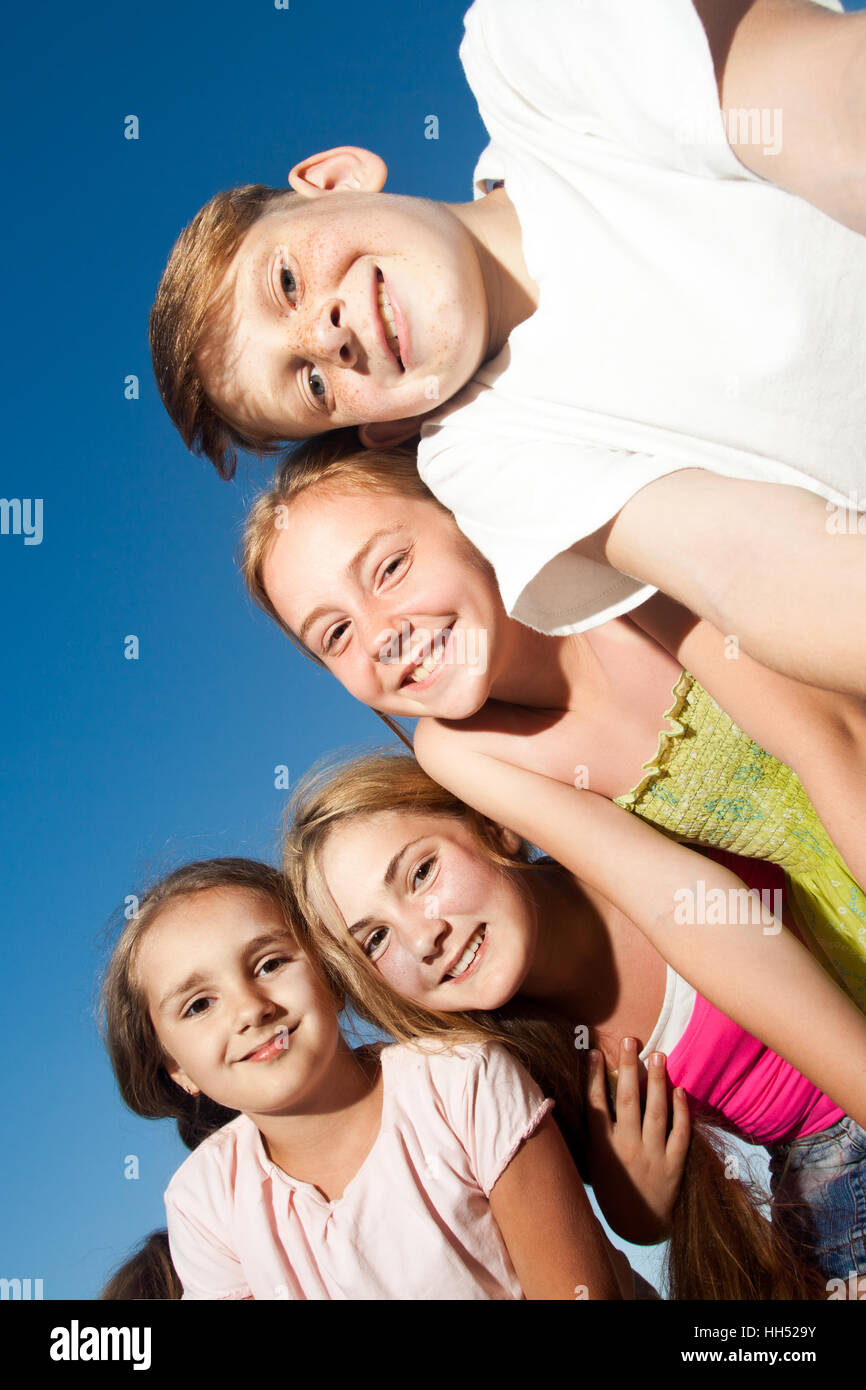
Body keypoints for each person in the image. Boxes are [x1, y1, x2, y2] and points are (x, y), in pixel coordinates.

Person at [149, 0, 866, 696]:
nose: (324, 336)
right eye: (310, 385)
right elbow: (744, 568)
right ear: (386, 426)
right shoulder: (484, 456)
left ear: (337, 180)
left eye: (285, 281)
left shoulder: (527, 55)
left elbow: (829, 103)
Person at [240, 437, 866, 1007]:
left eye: (391, 567)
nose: (381, 634)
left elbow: (832, 737)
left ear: (462, 515)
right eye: (337, 633)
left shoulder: (606, 560)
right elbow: (681, 909)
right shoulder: (459, 753)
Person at [282, 749, 866, 1292]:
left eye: (421, 873)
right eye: (376, 938)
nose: (423, 936)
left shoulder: (628, 811)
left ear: (494, 825)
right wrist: (637, 1215)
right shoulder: (538, 1081)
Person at [100, 856, 642, 1300]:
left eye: (269, 964)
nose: (249, 1009)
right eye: (199, 1005)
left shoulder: (462, 1080)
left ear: (333, 977)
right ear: (175, 1068)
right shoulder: (204, 1203)